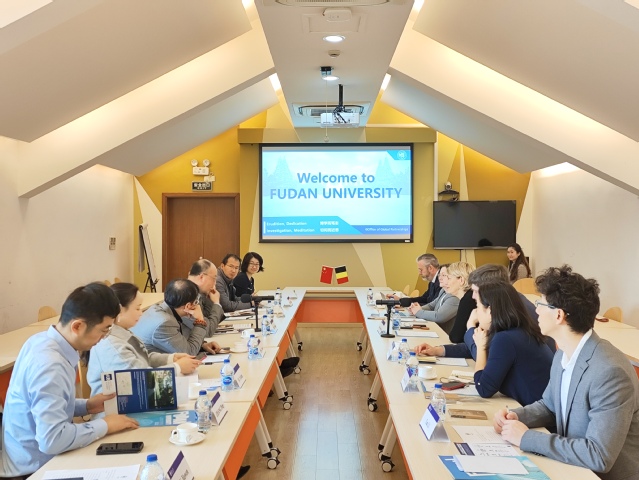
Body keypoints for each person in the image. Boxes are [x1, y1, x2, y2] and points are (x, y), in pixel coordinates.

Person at [494, 266, 639, 480]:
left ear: (559, 315)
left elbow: (598, 455)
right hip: (573, 468)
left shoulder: (610, 373)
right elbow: (550, 406)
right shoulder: (563, 353)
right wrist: (517, 416)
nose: (536, 310)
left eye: (540, 304)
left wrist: (526, 437)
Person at [0, 283, 139, 478]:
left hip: (34, 457)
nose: (104, 337)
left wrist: (87, 406)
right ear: (77, 326)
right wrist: (106, 425)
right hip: (34, 470)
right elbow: (52, 440)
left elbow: (45, 405)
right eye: (104, 330)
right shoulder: (50, 365)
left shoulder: (42, 340)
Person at [428, 282, 554, 406]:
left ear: (490, 311)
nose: (475, 312)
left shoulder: (505, 338)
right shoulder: (516, 330)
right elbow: (482, 347)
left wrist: (479, 344)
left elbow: (483, 388)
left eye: (477, 306)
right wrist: (439, 350)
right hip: (532, 405)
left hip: (533, 410)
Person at [87, 283, 201, 397]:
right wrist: (178, 367)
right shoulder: (112, 346)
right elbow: (141, 382)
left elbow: (140, 358)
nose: (141, 312)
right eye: (137, 308)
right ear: (120, 310)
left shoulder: (122, 332)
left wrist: (171, 358)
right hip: (118, 405)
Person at [131, 279, 221, 356]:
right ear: (188, 306)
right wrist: (200, 321)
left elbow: (178, 344)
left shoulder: (160, 309)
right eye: (196, 302)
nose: (197, 305)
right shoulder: (164, 323)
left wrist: (202, 346)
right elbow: (189, 353)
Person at [408, 264, 459, 334]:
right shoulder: (443, 291)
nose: (440, 278)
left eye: (444, 275)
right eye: (439, 275)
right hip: (435, 330)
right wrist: (417, 308)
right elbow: (431, 306)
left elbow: (438, 317)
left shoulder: (454, 297)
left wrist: (418, 312)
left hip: (444, 335)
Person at [187, 258, 225, 336]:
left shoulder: (198, 293)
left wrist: (210, 299)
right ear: (202, 277)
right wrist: (216, 303)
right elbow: (208, 330)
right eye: (214, 278)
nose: (215, 283)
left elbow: (211, 319)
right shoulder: (187, 295)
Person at [440, 262, 475, 343]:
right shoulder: (469, 297)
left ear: (461, 280)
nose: (446, 282)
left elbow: (456, 337)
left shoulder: (468, 300)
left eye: (449, 278)